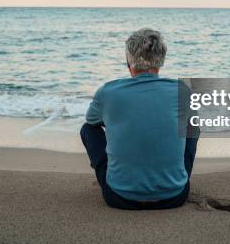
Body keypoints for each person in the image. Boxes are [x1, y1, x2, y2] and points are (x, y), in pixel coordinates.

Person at [80, 28, 198, 210]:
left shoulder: (108, 92)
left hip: (119, 197)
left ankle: (120, 174)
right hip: (174, 196)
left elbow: (92, 122)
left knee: (88, 130)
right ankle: (172, 177)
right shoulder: (182, 91)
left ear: (129, 62)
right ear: (162, 60)